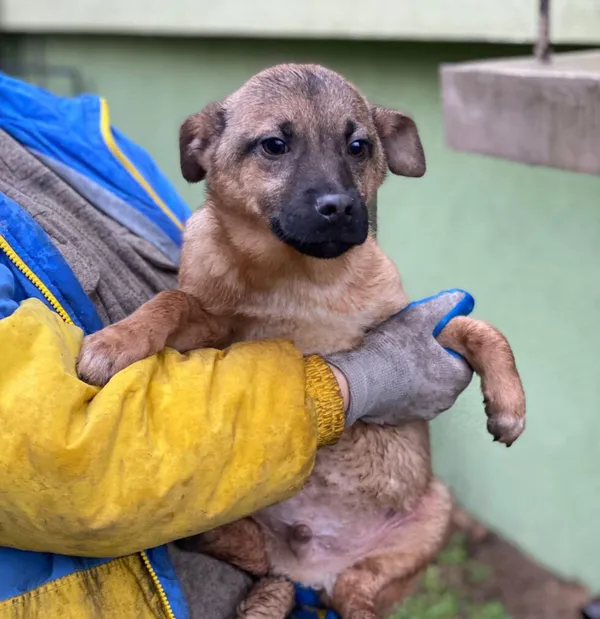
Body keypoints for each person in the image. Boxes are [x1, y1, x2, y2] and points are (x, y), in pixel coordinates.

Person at [0, 72, 473, 619]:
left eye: (356, 149)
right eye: (276, 146)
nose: (336, 191)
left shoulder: (56, 120)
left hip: (275, 551)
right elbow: (56, 463)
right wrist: (356, 381)